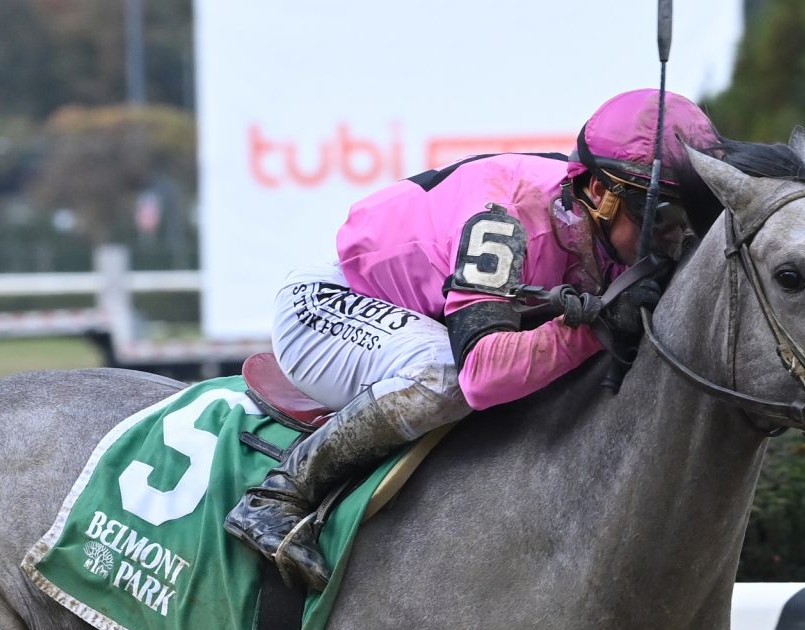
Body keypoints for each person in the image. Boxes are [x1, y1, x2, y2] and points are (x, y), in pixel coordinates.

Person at [225, 89, 722, 591]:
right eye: (661, 218)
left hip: (418, 314)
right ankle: (279, 495)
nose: (674, 239)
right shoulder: (505, 220)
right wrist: (593, 329)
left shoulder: (596, 215)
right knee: (442, 374)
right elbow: (482, 375)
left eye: (689, 219)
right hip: (328, 304)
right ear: (598, 192)